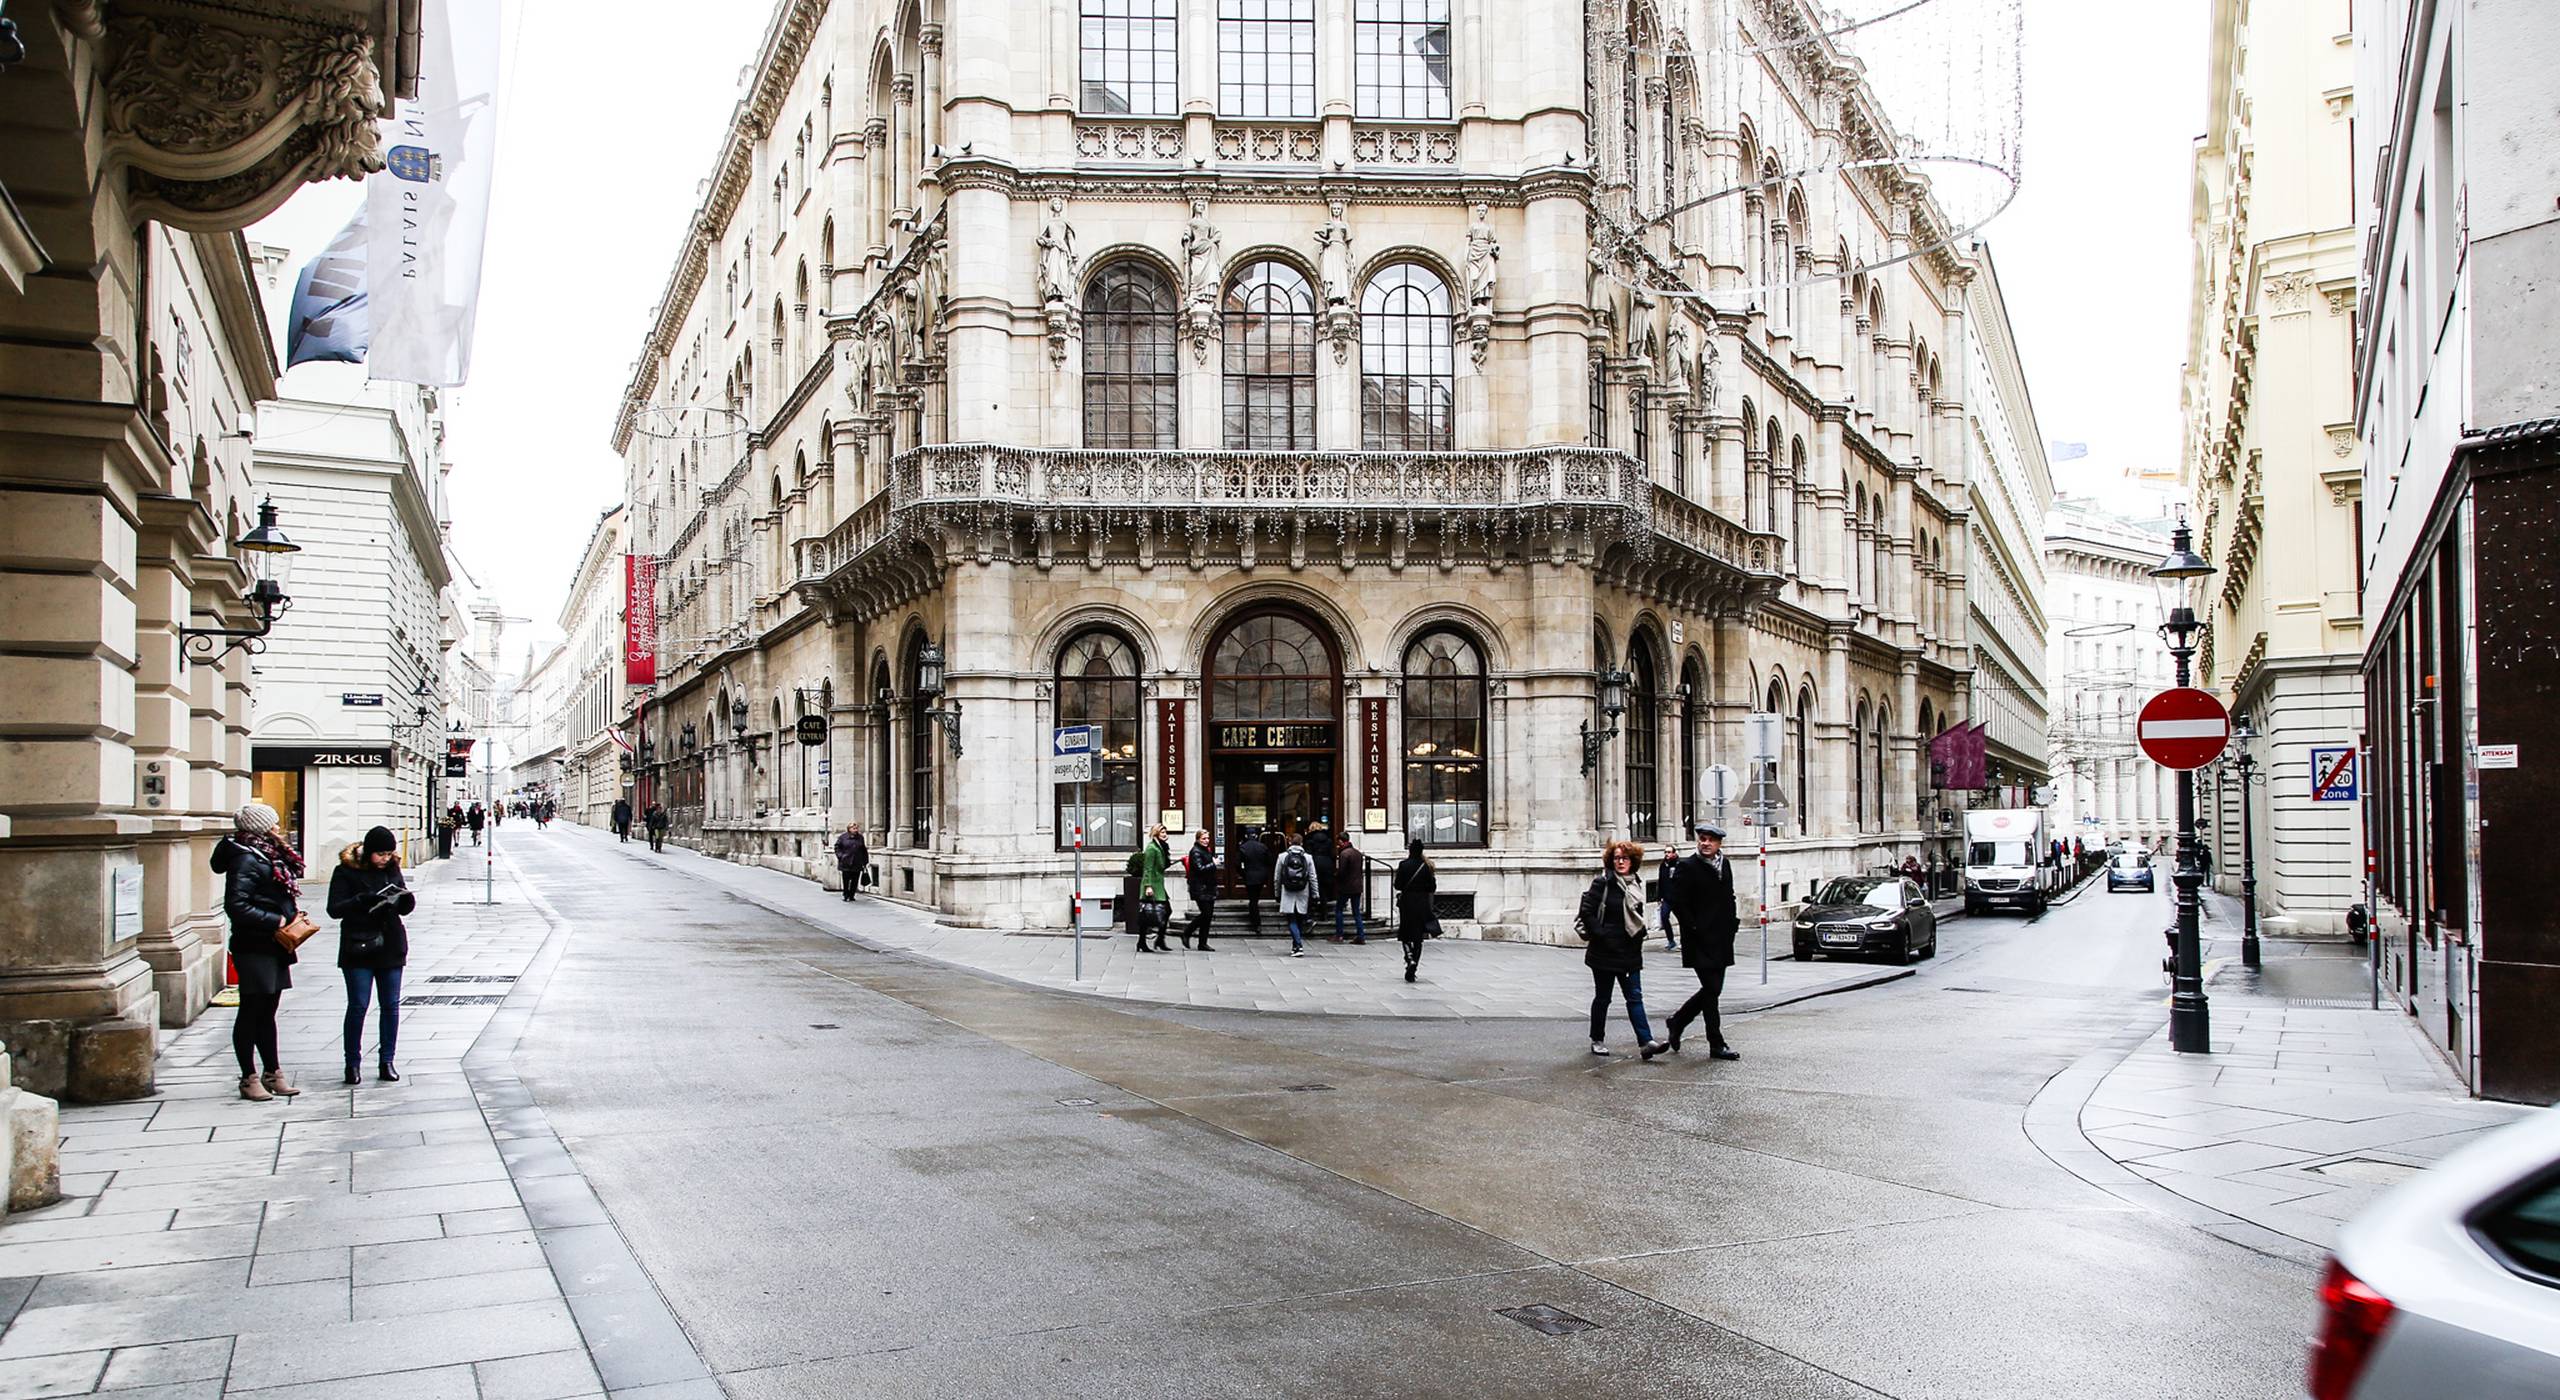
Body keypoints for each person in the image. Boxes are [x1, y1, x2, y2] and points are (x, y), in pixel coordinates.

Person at [212, 802, 304, 1101]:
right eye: (273, 823)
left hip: (274, 945)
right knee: (252, 1011)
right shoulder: (245, 858)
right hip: (254, 946)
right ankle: (248, 1076)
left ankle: (272, 1073)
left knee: (268, 1011)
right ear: (260, 828)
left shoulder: (266, 854)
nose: (278, 828)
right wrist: (276, 919)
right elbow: (236, 906)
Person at [329, 825, 414, 1085]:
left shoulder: (392, 869)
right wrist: (361, 900)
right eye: (380, 854)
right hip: (359, 945)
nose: (385, 859)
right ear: (368, 851)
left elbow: (404, 904)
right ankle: (351, 1063)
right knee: (358, 1005)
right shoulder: (345, 871)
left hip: (390, 944)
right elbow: (334, 909)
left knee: (390, 1005)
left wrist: (403, 900)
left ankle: (387, 1060)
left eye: (389, 854)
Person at [1577, 841, 1667, 1059]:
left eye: (1624, 858)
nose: (1620, 862)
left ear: (1633, 861)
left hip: (1629, 952)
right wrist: (1602, 935)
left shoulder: (1635, 883)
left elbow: (1636, 917)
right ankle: (1597, 1039)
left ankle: (1646, 1042)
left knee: (1635, 997)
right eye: (1616, 858)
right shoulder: (1602, 883)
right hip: (1604, 953)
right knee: (1603, 998)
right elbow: (1587, 912)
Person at [1661, 824, 1742, 1060]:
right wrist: (1693, 927)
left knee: (1712, 990)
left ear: (1719, 844)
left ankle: (1677, 1021)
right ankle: (1716, 1043)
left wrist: (1732, 924)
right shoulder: (1687, 866)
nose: (1705, 843)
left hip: (1722, 938)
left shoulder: (1724, 864)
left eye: (1710, 840)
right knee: (1712, 990)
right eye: (1702, 839)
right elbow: (1676, 901)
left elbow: (1729, 895)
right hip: (1699, 940)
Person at [1392, 840, 1439, 982]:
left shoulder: (1403, 865)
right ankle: (1414, 965)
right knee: (1418, 937)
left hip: (1407, 903)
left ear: (1410, 850)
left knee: (1405, 933)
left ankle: (1409, 957)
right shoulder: (1426, 867)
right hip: (1422, 904)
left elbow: (1397, 885)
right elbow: (1432, 887)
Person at [1274, 836, 1317, 956]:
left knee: (1291, 920)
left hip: (1287, 891)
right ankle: (1296, 946)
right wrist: (1315, 894)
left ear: (1290, 842)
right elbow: (1313, 877)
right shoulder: (1308, 857)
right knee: (1299, 920)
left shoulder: (1282, 857)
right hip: (1303, 891)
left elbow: (1277, 877)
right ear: (1302, 843)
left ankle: (1298, 946)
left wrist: (1277, 893)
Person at [1181, 829, 1220, 952]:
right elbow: (1199, 868)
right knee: (1206, 914)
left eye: (1208, 838)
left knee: (1207, 916)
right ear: (1198, 839)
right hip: (1200, 888)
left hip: (1209, 887)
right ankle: (1187, 932)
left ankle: (1202, 943)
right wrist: (1213, 864)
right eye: (1203, 838)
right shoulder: (1195, 851)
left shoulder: (1207, 850)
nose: (1206, 841)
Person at [1139, 823, 1173, 953]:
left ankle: (1159, 939)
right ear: (1156, 834)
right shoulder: (1152, 848)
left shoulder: (1161, 847)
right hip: (1152, 885)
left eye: (1165, 832)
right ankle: (1144, 942)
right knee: (1147, 914)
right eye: (1162, 833)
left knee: (1166, 911)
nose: (1165, 835)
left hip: (1158, 884)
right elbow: (1147, 868)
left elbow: (1162, 866)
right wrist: (1148, 886)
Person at [1235, 827, 1274, 934]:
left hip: (1249, 876)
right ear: (1256, 836)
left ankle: (1256, 923)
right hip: (1261, 876)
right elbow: (1270, 861)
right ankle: (1256, 922)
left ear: (1246, 836)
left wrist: (1243, 874)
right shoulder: (1263, 847)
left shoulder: (1242, 847)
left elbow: (1237, 864)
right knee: (1255, 898)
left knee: (1253, 900)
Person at [1332, 834, 1368, 943]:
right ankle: (1361, 935)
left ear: (1342, 841)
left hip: (1346, 887)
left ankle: (1339, 934)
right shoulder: (1357, 853)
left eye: (1338, 842)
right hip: (1357, 886)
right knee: (1356, 912)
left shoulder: (1344, 854)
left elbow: (1342, 871)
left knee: (1339, 910)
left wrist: (1335, 876)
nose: (1337, 845)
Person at [1304, 817, 1335, 923]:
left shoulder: (1309, 840)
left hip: (1314, 864)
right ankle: (1324, 914)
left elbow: (1307, 855)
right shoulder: (1328, 840)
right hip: (1326, 865)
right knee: (1323, 891)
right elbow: (1332, 854)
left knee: (1310, 888)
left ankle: (1310, 915)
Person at [833, 823, 869, 902]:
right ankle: (846, 895)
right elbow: (837, 847)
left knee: (855, 880)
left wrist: (865, 861)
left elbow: (863, 849)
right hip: (846, 862)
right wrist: (841, 856)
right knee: (846, 880)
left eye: (856, 828)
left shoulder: (860, 837)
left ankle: (852, 895)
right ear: (849, 829)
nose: (855, 830)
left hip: (857, 862)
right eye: (854, 828)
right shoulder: (843, 837)